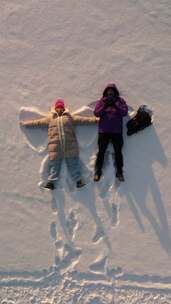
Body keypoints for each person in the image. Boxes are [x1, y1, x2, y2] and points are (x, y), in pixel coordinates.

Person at [20, 99, 98, 190]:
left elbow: (83, 120)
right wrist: (26, 124)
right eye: (58, 107)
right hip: (55, 147)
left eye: (61, 107)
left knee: (73, 164)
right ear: (55, 109)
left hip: (70, 146)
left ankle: (78, 181)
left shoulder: (70, 118)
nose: (59, 109)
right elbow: (38, 123)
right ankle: (51, 182)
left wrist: (95, 120)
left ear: (64, 108)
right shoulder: (50, 119)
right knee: (54, 166)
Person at [93, 83, 128, 182]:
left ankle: (119, 172)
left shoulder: (120, 101)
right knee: (101, 152)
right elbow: (96, 113)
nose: (110, 95)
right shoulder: (102, 101)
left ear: (115, 93)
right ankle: (98, 172)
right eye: (108, 93)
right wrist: (105, 105)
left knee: (118, 152)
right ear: (106, 93)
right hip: (103, 131)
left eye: (112, 93)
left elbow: (124, 112)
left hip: (117, 132)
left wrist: (116, 104)